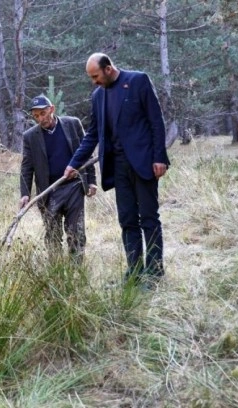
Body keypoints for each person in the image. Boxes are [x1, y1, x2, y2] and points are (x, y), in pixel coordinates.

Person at [63, 53, 170, 287]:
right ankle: (135, 272)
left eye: (96, 76)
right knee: (127, 220)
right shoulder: (97, 96)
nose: (94, 81)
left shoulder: (139, 81)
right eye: (91, 78)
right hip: (118, 166)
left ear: (109, 68)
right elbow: (92, 135)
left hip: (144, 163)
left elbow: (156, 121)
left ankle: (154, 273)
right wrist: (74, 164)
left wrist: (159, 157)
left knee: (149, 218)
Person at [20, 94, 97, 263]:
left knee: (76, 232)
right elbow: (26, 167)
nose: (40, 118)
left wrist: (91, 180)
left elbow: (87, 153)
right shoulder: (30, 137)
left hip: (74, 187)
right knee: (52, 236)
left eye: (43, 113)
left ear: (52, 109)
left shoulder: (72, 124)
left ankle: (75, 272)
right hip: (48, 192)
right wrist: (25, 193)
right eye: (36, 116)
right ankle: (56, 272)